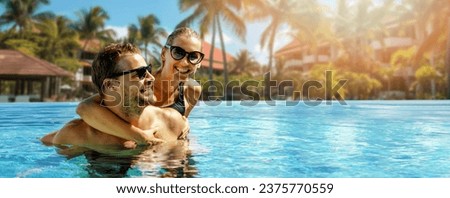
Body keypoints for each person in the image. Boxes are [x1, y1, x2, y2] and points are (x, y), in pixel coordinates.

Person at [40, 43, 190, 154]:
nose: (151, 77)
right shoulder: (78, 135)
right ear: (111, 85)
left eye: (148, 70)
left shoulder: (173, 123)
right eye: (140, 73)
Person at [76, 27, 203, 145]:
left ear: (199, 63)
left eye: (193, 56)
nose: (185, 62)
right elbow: (85, 108)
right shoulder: (142, 80)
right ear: (164, 53)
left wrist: (183, 125)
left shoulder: (193, 90)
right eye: (178, 52)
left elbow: (175, 125)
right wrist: (138, 135)